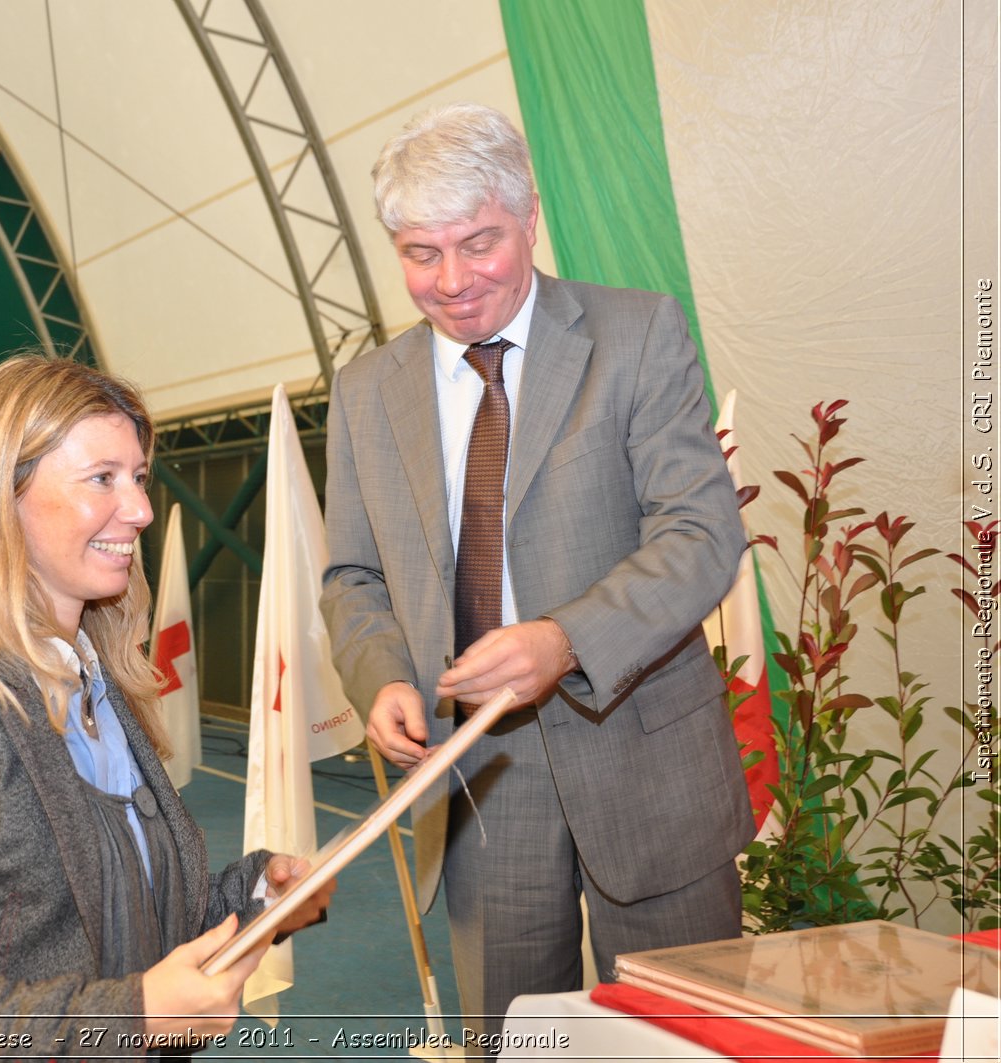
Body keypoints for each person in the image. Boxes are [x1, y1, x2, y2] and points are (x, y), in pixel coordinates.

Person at [319, 103, 754, 1040]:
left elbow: (702, 531)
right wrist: (383, 675)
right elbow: (352, 574)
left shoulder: (636, 333)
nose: (452, 281)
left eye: (479, 243)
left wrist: (565, 641)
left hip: (651, 768)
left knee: (685, 1040)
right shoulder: (362, 393)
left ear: (530, 217)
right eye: (420, 252)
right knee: (515, 1043)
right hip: (478, 779)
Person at [0, 354, 334, 1057]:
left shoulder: (103, 684)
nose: (142, 509)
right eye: (102, 479)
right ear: (5, 497)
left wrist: (256, 900)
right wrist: (132, 1015)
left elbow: (127, 928)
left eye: (137, 478)